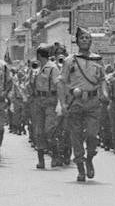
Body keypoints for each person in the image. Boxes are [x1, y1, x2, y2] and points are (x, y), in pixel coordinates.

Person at [60, 27, 108, 182]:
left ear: (91, 41)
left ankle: (90, 158)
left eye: (88, 38)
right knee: (76, 135)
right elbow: (62, 82)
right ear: (77, 41)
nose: (85, 40)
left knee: (92, 135)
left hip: (93, 101)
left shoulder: (97, 59)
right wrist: (63, 103)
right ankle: (80, 165)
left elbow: (102, 80)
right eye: (82, 38)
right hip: (76, 102)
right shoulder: (69, 61)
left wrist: (104, 93)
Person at [28, 45, 60, 170]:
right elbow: (30, 85)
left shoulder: (52, 68)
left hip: (50, 101)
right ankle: (41, 160)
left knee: (49, 130)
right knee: (39, 131)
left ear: (40, 56)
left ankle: (55, 155)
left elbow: (58, 85)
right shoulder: (37, 69)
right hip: (38, 101)